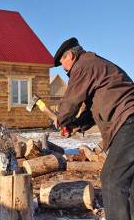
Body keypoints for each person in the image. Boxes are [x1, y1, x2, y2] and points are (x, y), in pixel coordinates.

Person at [53, 37, 134, 220]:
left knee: (113, 178)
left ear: (70, 56)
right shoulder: (95, 65)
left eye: (62, 63)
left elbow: (71, 101)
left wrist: (60, 119)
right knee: (129, 181)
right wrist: (74, 125)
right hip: (128, 120)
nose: (64, 69)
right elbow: (91, 110)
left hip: (128, 122)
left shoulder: (83, 65)